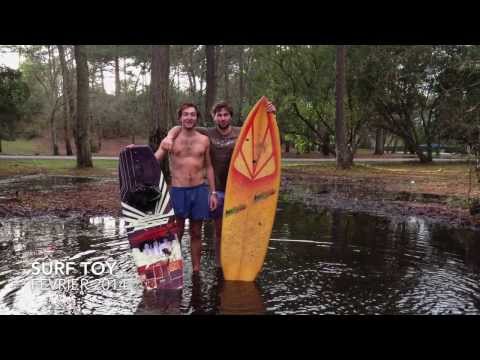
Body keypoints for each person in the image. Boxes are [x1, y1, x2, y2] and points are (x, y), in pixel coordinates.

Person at [161, 100, 276, 269]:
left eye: (225, 115)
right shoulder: (206, 133)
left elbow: (262, 133)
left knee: (235, 228)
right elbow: (181, 127)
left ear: (230, 116)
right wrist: (170, 136)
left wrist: (271, 114)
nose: (222, 118)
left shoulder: (242, 131)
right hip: (217, 189)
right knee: (219, 230)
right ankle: (219, 265)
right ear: (214, 117)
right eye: (219, 115)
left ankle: (235, 261)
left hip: (239, 190)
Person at [152, 103, 218, 273]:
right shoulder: (171, 139)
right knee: (177, 233)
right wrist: (138, 158)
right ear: (180, 118)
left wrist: (213, 193)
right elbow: (154, 160)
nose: (189, 117)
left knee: (196, 233)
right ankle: (172, 269)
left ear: (197, 118)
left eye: (193, 114)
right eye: (186, 114)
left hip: (199, 190)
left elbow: (209, 167)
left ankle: (196, 270)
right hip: (178, 191)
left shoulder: (204, 140)